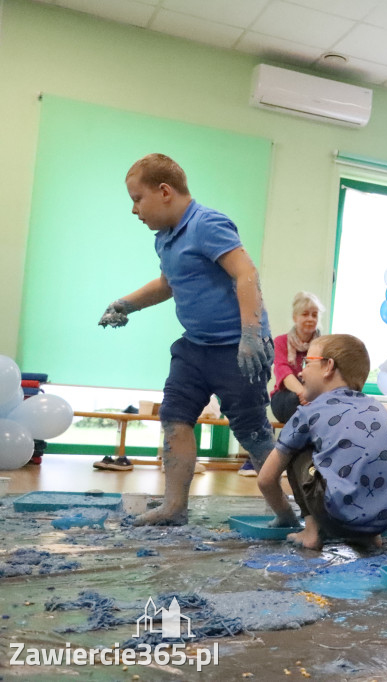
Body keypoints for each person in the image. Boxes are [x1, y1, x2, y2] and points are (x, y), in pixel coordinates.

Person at [98, 153, 275, 526]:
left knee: (251, 431)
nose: (134, 210)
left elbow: (246, 273)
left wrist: (249, 333)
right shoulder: (164, 239)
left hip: (236, 348)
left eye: (136, 199)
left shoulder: (207, 224)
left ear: (164, 191)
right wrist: (126, 304)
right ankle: (174, 507)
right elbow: (167, 284)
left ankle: (291, 511)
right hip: (195, 347)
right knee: (174, 417)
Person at [257, 334, 387, 550]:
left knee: (294, 447)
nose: (301, 371)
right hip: (382, 520)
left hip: (333, 516)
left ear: (328, 366)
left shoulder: (309, 412)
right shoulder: (379, 410)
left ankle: (311, 531)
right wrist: (385, 501)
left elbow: (266, 479)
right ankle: (368, 534)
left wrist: (285, 516)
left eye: (308, 363)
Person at [238, 291, 324, 477]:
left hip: (314, 398)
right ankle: (271, 460)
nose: (310, 318)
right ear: (295, 317)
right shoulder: (281, 342)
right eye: (305, 314)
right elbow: (283, 373)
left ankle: (310, 461)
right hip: (286, 398)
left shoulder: (324, 345)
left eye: (314, 315)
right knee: (297, 403)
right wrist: (304, 393)